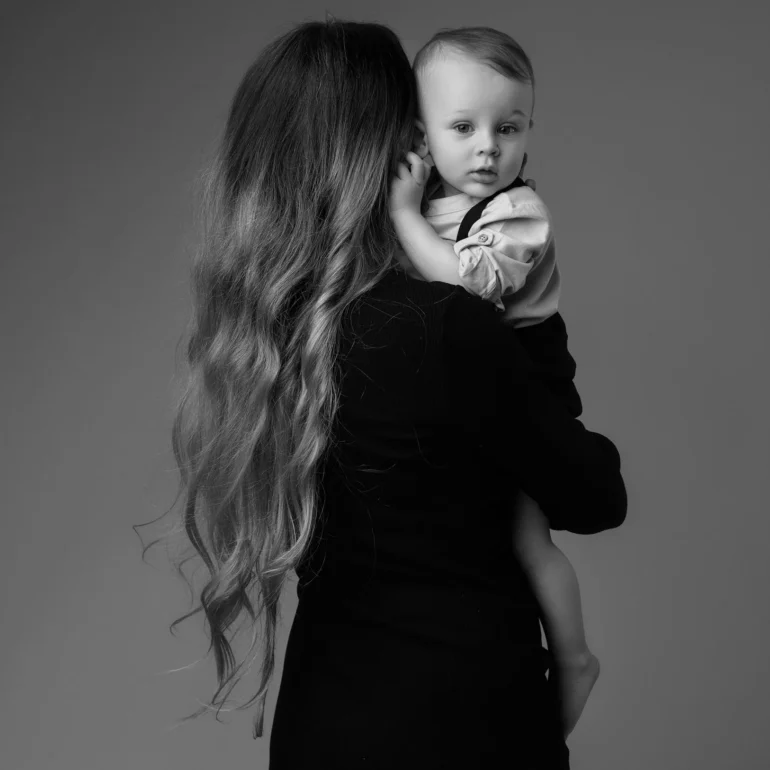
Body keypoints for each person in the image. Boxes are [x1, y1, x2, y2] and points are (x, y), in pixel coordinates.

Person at [168, 18, 626, 769]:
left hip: (322, 725)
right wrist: (547, 370)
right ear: (396, 147)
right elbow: (594, 495)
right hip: (465, 722)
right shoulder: (443, 323)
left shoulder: (265, 334)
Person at [390, 26, 601, 737]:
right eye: (463, 127)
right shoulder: (428, 203)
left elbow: (466, 292)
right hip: (461, 390)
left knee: (527, 537)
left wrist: (399, 215)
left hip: (526, 376)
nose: (488, 147)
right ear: (420, 135)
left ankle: (572, 657)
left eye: (508, 128)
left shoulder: (517, 212)